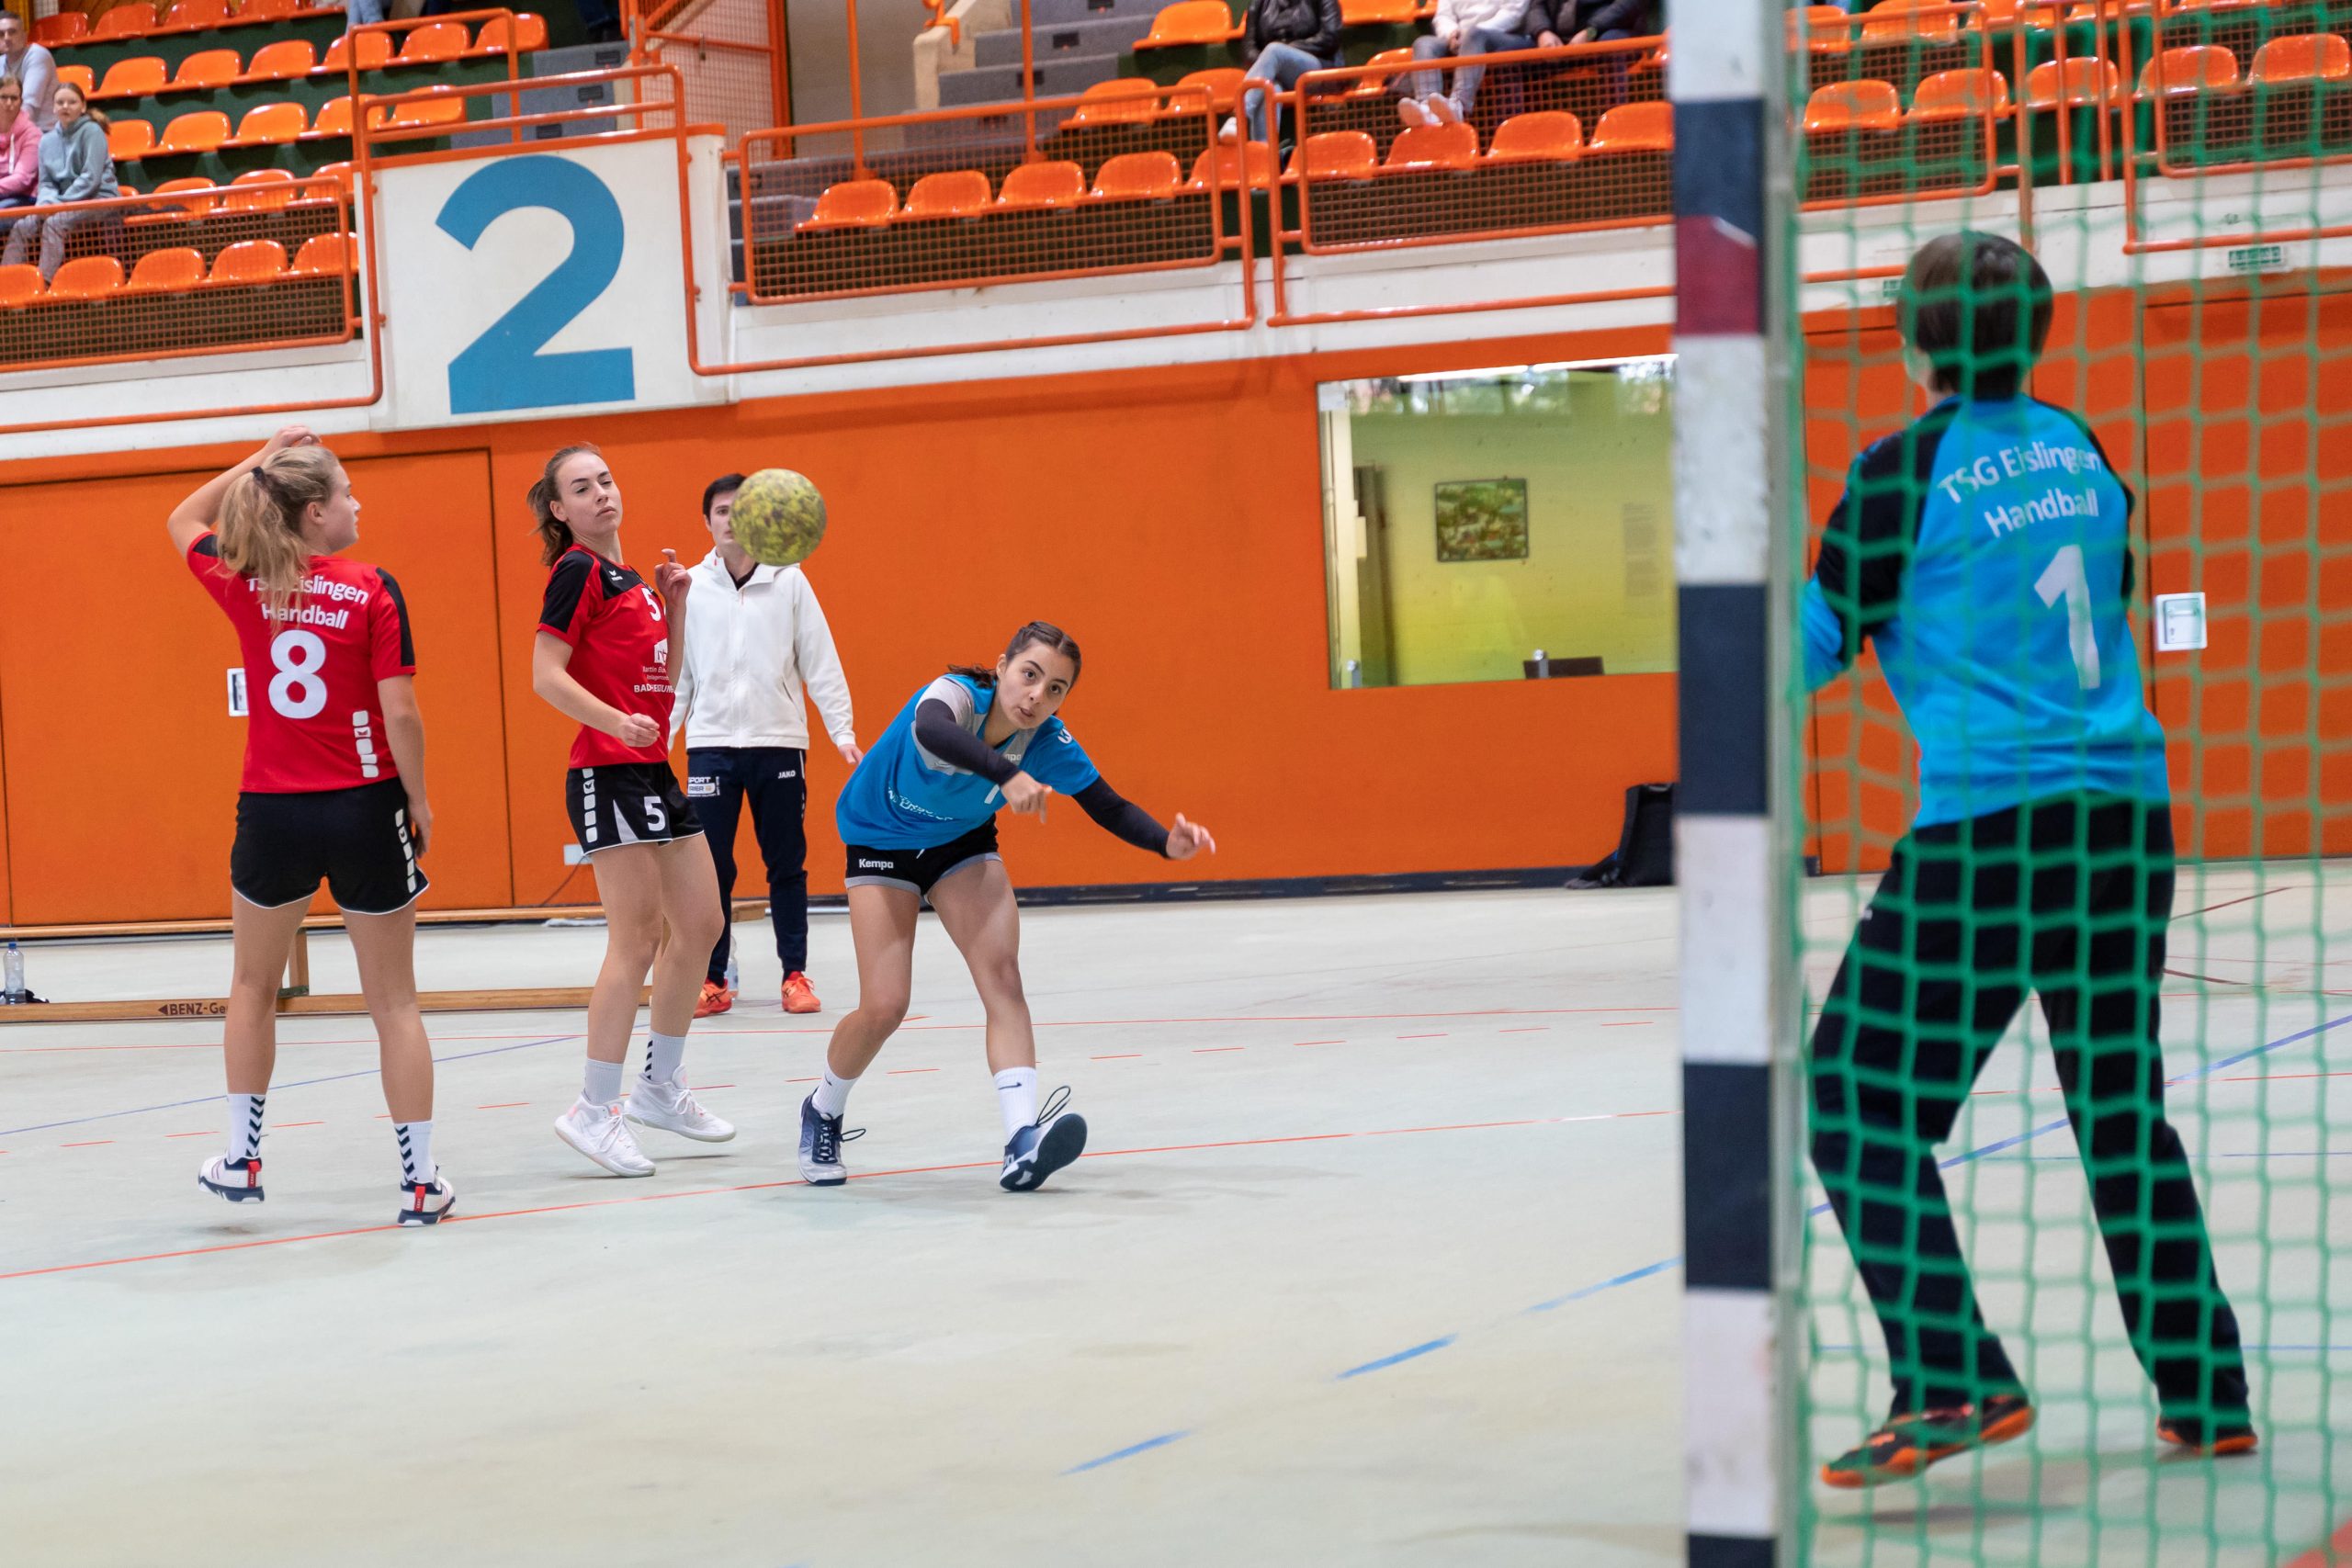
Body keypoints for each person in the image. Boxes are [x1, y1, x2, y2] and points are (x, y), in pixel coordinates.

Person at [1803, 232, 2254, 1487]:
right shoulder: (2080, 448)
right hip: (2125, 820)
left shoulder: (1902, 469)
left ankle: (1952, 1375)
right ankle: (2207, 1393)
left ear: (1914, 342)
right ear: (2036, 335)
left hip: (1991, 833)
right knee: (2119, 1109)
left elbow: (1815, 646)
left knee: (1852, 1104)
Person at [800, 623, 1216, 1193]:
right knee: (885, 1007)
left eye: (1056, 689)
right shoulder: (955, 696)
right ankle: (822, 1110)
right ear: (1001, 667)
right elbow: (932, 730)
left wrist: (1166, 844)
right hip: (880, 841)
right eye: (1029, 675)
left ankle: (1022, 1141)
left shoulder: (1047, 741)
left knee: (1003, 979)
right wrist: (1008, 773)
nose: (1037, 696)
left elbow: (1108, 805)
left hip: (960, 845)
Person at [164, 427, 455, 1226]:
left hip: (272, 811)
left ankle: (240, 1159)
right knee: (394, 1002)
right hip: (364, 805)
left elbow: (182, 518)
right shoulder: (373, 587)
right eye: (348, 494)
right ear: (317, 512)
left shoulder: (242, 581)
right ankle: (420, 1182)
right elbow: (402, 711)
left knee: (252, 986)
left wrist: (258, 459)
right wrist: (419, 800)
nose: (359, 504)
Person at [529, 443, 734, 1178]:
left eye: (606, 480)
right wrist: (614, 721)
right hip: (605, 770)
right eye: (582, 488)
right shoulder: (577, 570)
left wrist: (675, 607)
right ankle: (593, 1107)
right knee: (637, 938)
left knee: (702, 923)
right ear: (561, 510)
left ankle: (659, 1087)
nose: (601, 494)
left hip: (650, 769)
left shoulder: (637, 582)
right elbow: (545, 674)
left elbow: (662, 682)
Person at [671, 472, 860, 1021]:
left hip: (778, 745)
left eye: (741, 510)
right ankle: (713, 980)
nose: (731, 520)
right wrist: (662, 736)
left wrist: (842, 731)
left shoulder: (790, 581)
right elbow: (680, 672)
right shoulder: (691, 586)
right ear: (707, 521)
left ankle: (794, 974)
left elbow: (820, 661)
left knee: (786, 864)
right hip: (710, 747)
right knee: (711, 870)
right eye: (721, 511)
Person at [3, 80, 113, 282]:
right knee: (22, 226)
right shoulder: (47, 141)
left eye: (72, 102)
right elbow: (46, 183)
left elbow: (91, 178)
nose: (65, 107)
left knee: (55, 223)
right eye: (60, 102)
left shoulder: (93, 132)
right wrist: (46, 204)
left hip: (98, 200)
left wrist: (59, 204)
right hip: (60, 204)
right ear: (53, 108)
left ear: (83, 107)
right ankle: (6, 283)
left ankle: (42, 283)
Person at [1219, 0, 1343, 147]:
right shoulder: (1258, 3)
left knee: (1274, 51)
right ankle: (1264, 154)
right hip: (1274, 72)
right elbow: (1248, 50)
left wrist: (1285, 52)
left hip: (1317, 69)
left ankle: (1238, 118)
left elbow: (1330, 38)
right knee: (1269, 88)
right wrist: (1268, 63)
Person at [1396, 0, 1534, 130]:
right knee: (1424, 43)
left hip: (1505, 36)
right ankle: (1427, 109)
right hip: (1461, 36)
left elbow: (1513, 13)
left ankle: (1458, 105)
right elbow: (1443, 16)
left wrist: (1469, 34)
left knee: (1475, 34)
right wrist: (1451, 34)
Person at [0, 13, 56, 133]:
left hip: (44, 131)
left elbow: (29, 108)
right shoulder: (0, 62)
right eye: (1, 34)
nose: (7, 38)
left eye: (12, 32)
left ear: (25, 36)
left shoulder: (37, 55)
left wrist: (6, 135)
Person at [0, 77, 39, 210]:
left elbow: (22, 179)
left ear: (21, 101)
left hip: (24, 196)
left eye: (14, 98)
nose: (8, 103)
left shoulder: (33, 134)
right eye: (3, 97)